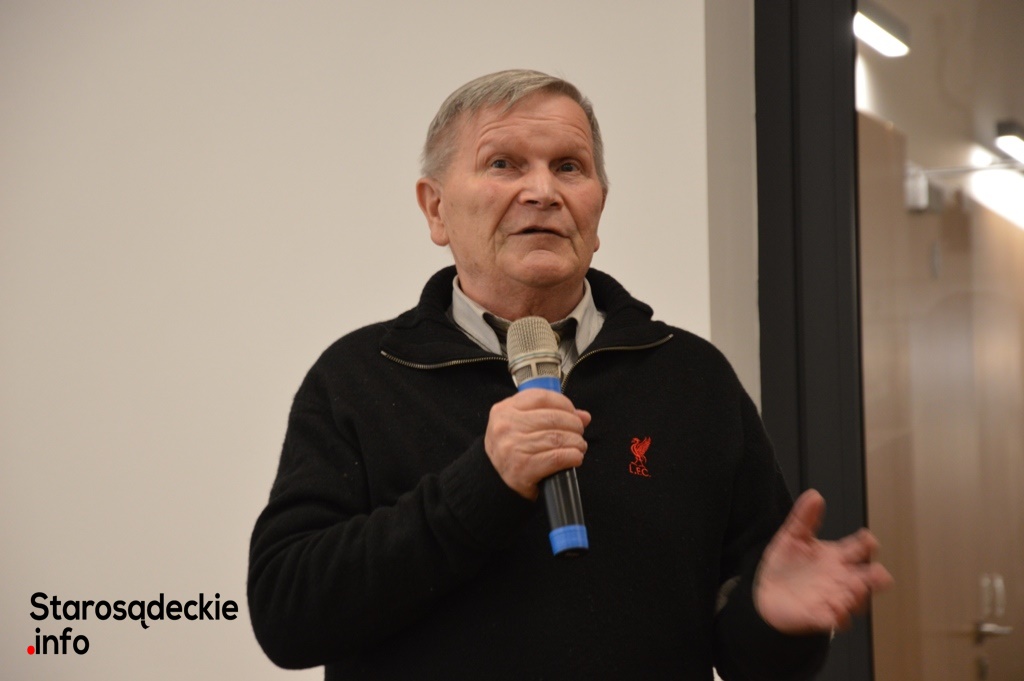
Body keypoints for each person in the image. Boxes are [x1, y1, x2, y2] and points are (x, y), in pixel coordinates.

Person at [248, 69, 892, 680]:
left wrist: (776, 624)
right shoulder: (362, 377)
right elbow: (287, 615)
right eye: (503, 164)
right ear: (436, 209)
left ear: (599, 206)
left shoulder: (692, 379)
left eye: (568, 167)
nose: (543, 191)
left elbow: (752, 648)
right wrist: (482, 486)